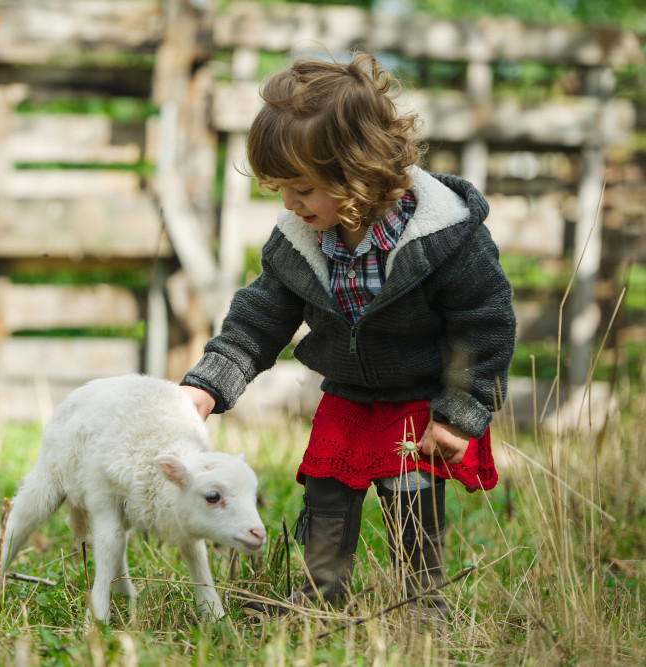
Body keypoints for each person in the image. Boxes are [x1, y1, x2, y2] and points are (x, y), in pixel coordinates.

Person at [179, 51, 516, 621]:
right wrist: (207, 386)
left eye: (301, 187)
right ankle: (319, 597)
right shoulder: (302, 240)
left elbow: (484, 321)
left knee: (412, 501)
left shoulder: (445, 237)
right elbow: (259, 318)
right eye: (278, 187)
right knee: (328, 495)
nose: (288, 202)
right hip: (349, 397)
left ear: (356, 171)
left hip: (418, 399)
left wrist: (461, 411)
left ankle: (421, 603)